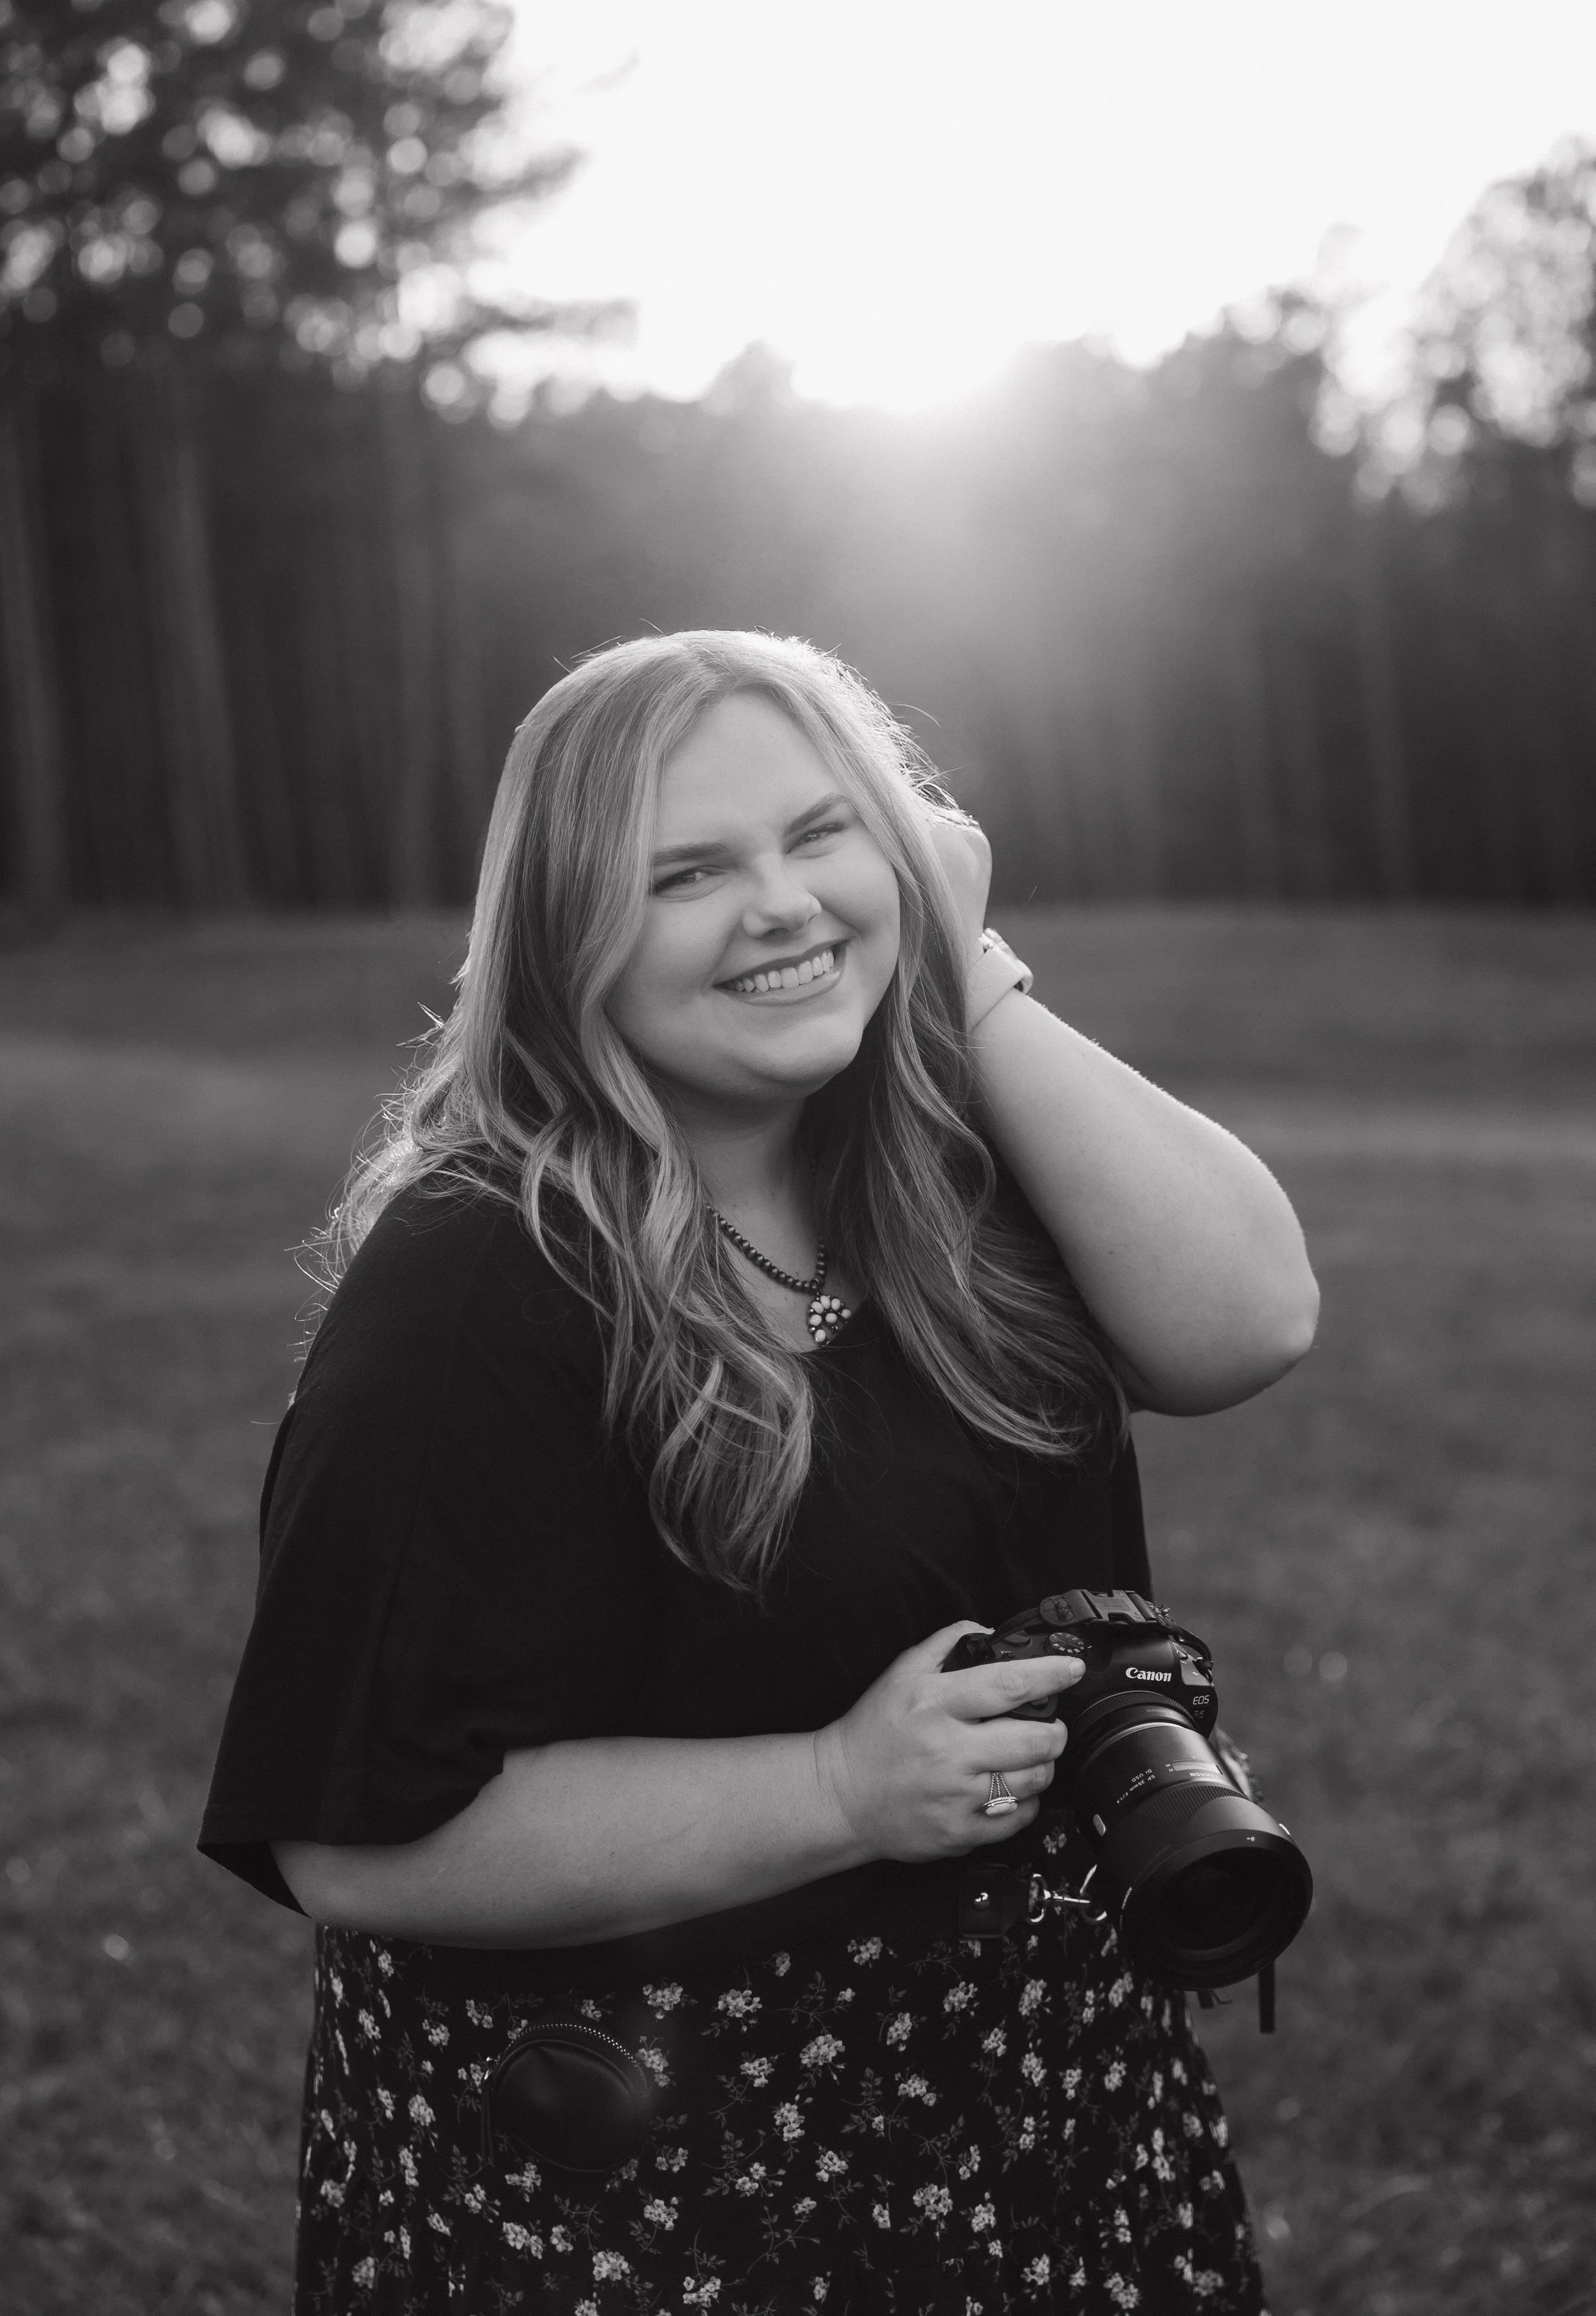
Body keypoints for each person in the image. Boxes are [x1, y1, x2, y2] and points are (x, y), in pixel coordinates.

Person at [200, 630, 1318, 2315]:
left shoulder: (946, 1170)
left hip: (1028, 2080)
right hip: (642, 2165)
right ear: (574, 930)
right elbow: (355, 1845)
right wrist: (837, 1788)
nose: (784, 904)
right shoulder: (479, 1278)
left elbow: (1245, 1322)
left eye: (822, 833)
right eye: (688, 870)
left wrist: (964, 971)